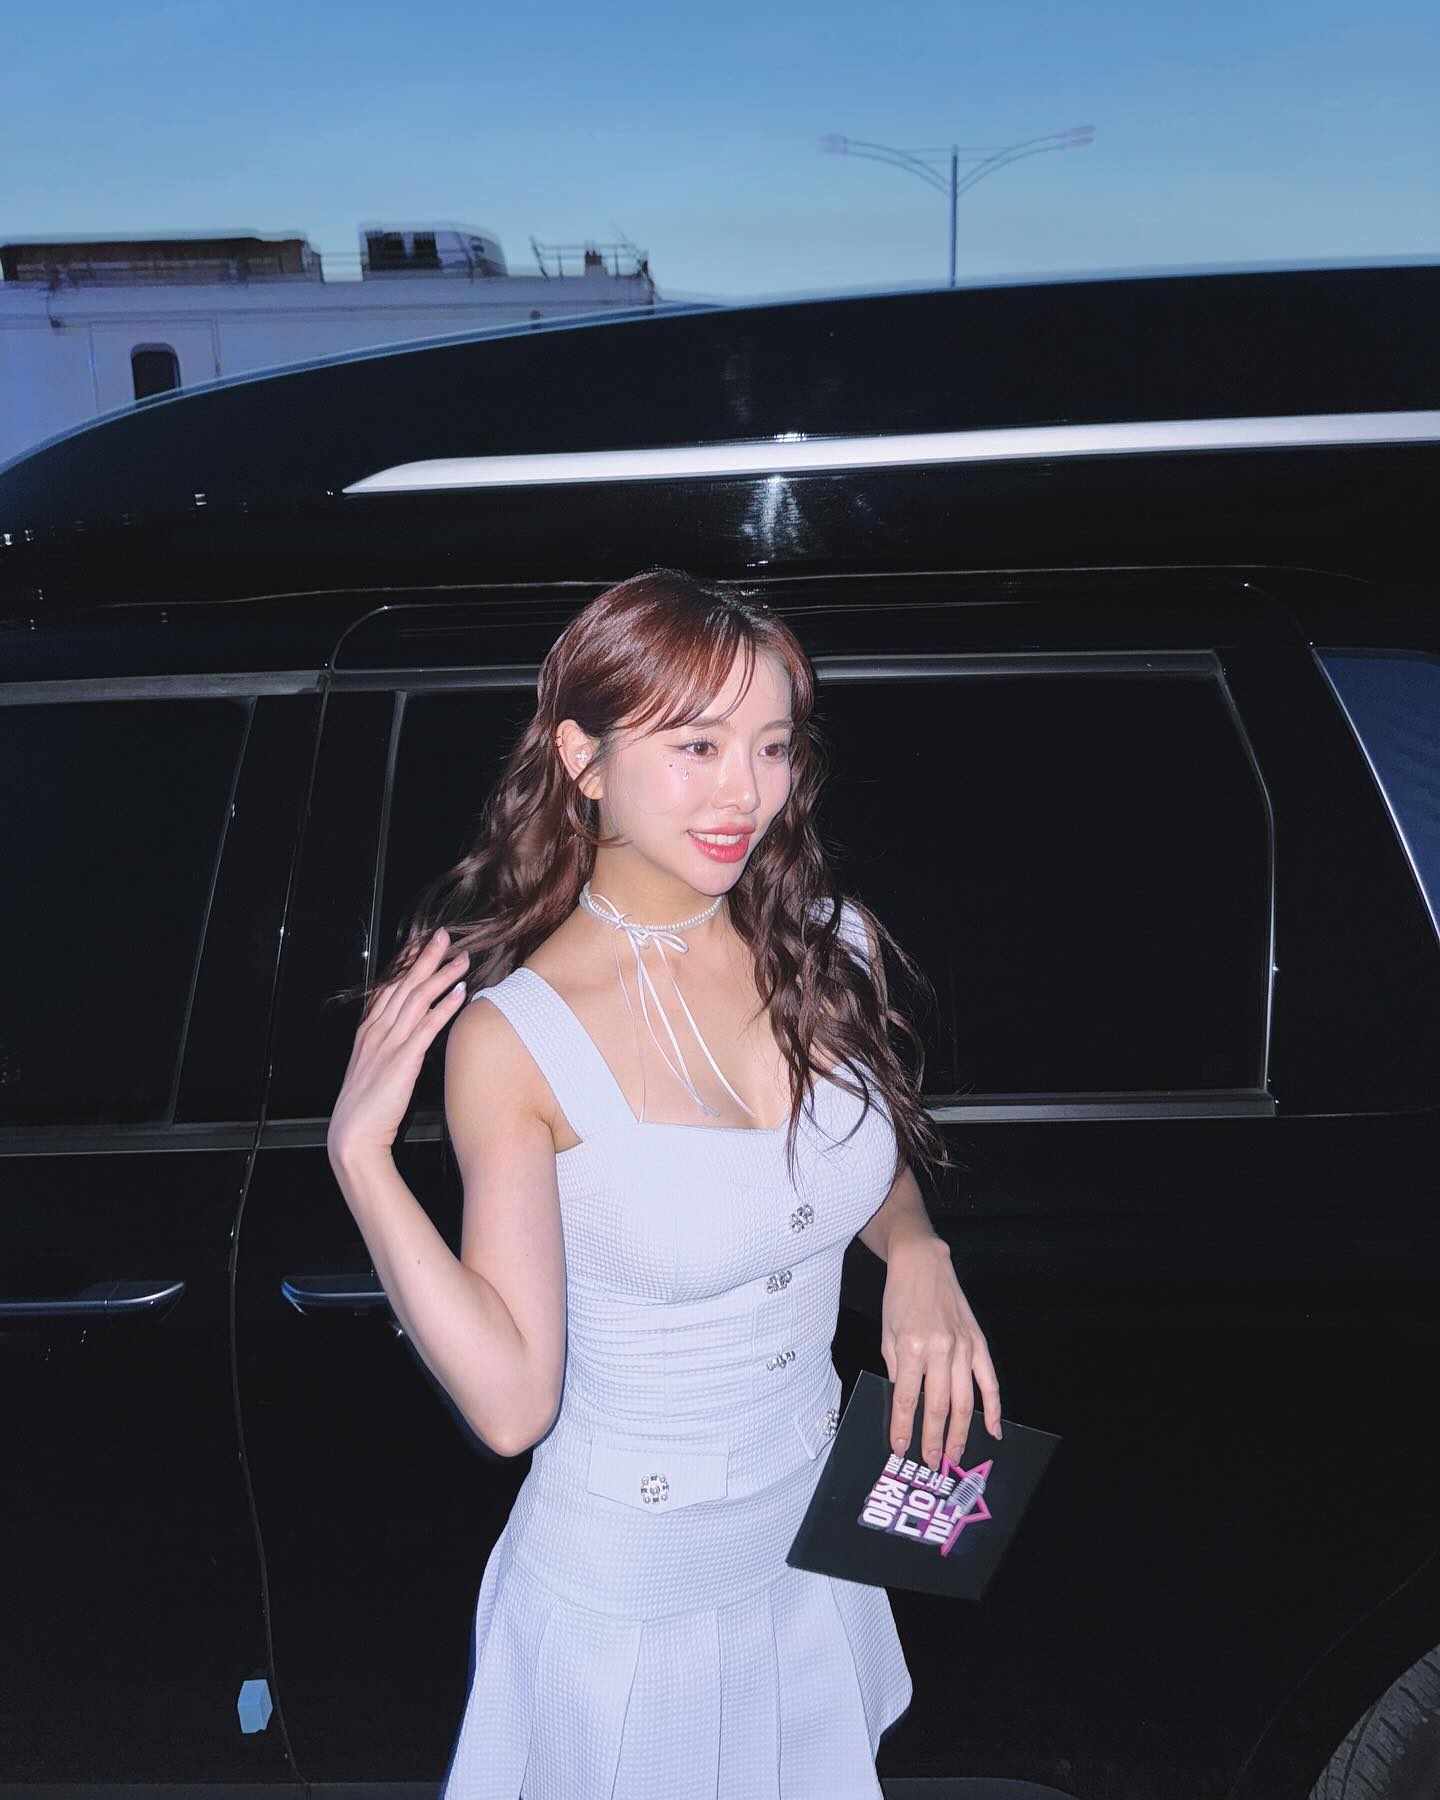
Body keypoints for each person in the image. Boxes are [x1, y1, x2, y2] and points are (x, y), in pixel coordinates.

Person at [325, 568, 1003, 1798]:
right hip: (631, 1598)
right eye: (697, 746)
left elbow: (855, 1162)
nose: (745, 793)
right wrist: (362, 1161)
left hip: (813, 1543)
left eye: (772, 747)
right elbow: (511, 1407)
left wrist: (915, 1249)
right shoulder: (517, 1039)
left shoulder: (826, 942)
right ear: (582, 759)